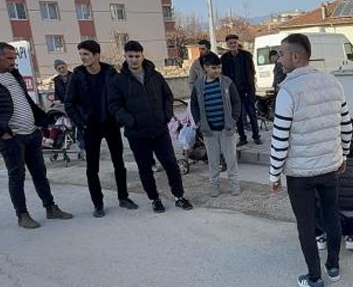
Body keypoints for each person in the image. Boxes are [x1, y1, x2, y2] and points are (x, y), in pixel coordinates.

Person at [267, 33, 353, 287]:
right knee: (331, 216)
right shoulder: (333, 83)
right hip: (329, 167)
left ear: (295, 56)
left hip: (300, 173)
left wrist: (274, 175)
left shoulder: (287, 91)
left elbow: (280, 138)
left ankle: (315, 278)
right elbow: (345, 126)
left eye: (282, 54)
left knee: (305, 224)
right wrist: (343, 156)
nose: (279, 60)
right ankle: (334, 267)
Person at [0, 42, 73, 229]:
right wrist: (1, 133)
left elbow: (26, 102)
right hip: (11, 138)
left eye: (14, 58)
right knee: (17, 176)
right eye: (9, 58)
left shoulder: (15, 76)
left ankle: (51, 208)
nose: (13, 62)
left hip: (31, 133)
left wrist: (43, 121)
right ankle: (22, 215)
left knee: (40, 173)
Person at [108, 40, 193, 213]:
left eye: (137, 56)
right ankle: (154, 199)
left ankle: (179, 196)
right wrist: (129, 120)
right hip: (137, 134)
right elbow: (114, 106)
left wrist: (166, 115)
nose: (134, 60)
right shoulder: (118, 81)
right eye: (130, 56)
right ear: (125, 57)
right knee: (145, 169)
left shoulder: (155, 76)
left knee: (171, 165)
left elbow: (168, 97)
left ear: (142, 56)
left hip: (160, 131)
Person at [63, 39, 139, 217]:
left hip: (111, 124)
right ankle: (98, 204)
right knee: (92, 167)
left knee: (119, 163)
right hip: (91, 127)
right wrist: (81, 122)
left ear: (96, 55)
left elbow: (122, 97)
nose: (83, 58)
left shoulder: (110, 72)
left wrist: (120, 119)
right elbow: (69, 103)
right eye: (81, 54)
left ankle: (123, 197)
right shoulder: (77, 75)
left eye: (86, 54)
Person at [190, 52, 242, 198]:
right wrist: (199, 123)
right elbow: (193, 105)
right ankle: (214, 185)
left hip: (227, 129)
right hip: (209, 131)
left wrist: (234, 119)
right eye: (214, 68)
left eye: (219, 67)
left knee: (231, 159)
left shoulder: (227, 82)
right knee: (213, 161)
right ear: (205, 68)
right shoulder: (198, 85)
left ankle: (234, 184)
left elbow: (237, 102)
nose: (217, 71)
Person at [221, 34, 261, 147]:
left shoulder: (247, 56)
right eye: (230, 43)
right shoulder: (224, 59)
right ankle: (242, 138)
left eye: (234, 42)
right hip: (233, 91)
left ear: (238, 43)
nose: (233, 45)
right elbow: (223, 75)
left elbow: (252, 72)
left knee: (252, 114)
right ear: (227, 45)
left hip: (247, 89)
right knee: (237, 116)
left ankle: (256, 136)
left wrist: (252, 88)